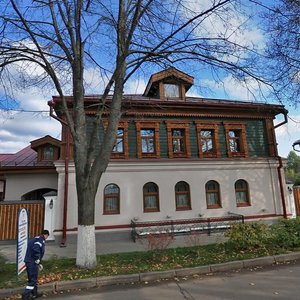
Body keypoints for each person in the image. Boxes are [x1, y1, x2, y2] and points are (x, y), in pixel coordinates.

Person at [21, 229, 49, 300]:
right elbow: (36, 249)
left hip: (28, 261)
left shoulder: (35, 239)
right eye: (47, 236)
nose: (47, 238)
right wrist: (37, 259)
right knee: (33, 280)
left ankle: (34, 294)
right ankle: (25, 295)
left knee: (32, 279)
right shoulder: (40, 240)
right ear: (45, 235)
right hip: (32, 262)